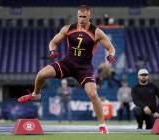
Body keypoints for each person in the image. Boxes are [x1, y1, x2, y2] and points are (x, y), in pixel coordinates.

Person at [17, 5, 115, 134]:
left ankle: (102, 125)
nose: (82, 19)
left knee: (93, 94)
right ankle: (36, 94)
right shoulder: (68, 29)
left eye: (85, 17)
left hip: (84, 68)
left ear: (89, 16)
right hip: (67, 63)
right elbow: (53, 42)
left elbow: (110, 47)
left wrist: (111, 55)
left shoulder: (96, 32)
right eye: (80, 16)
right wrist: (52, 51)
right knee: (41, 74)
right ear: (77, 16)